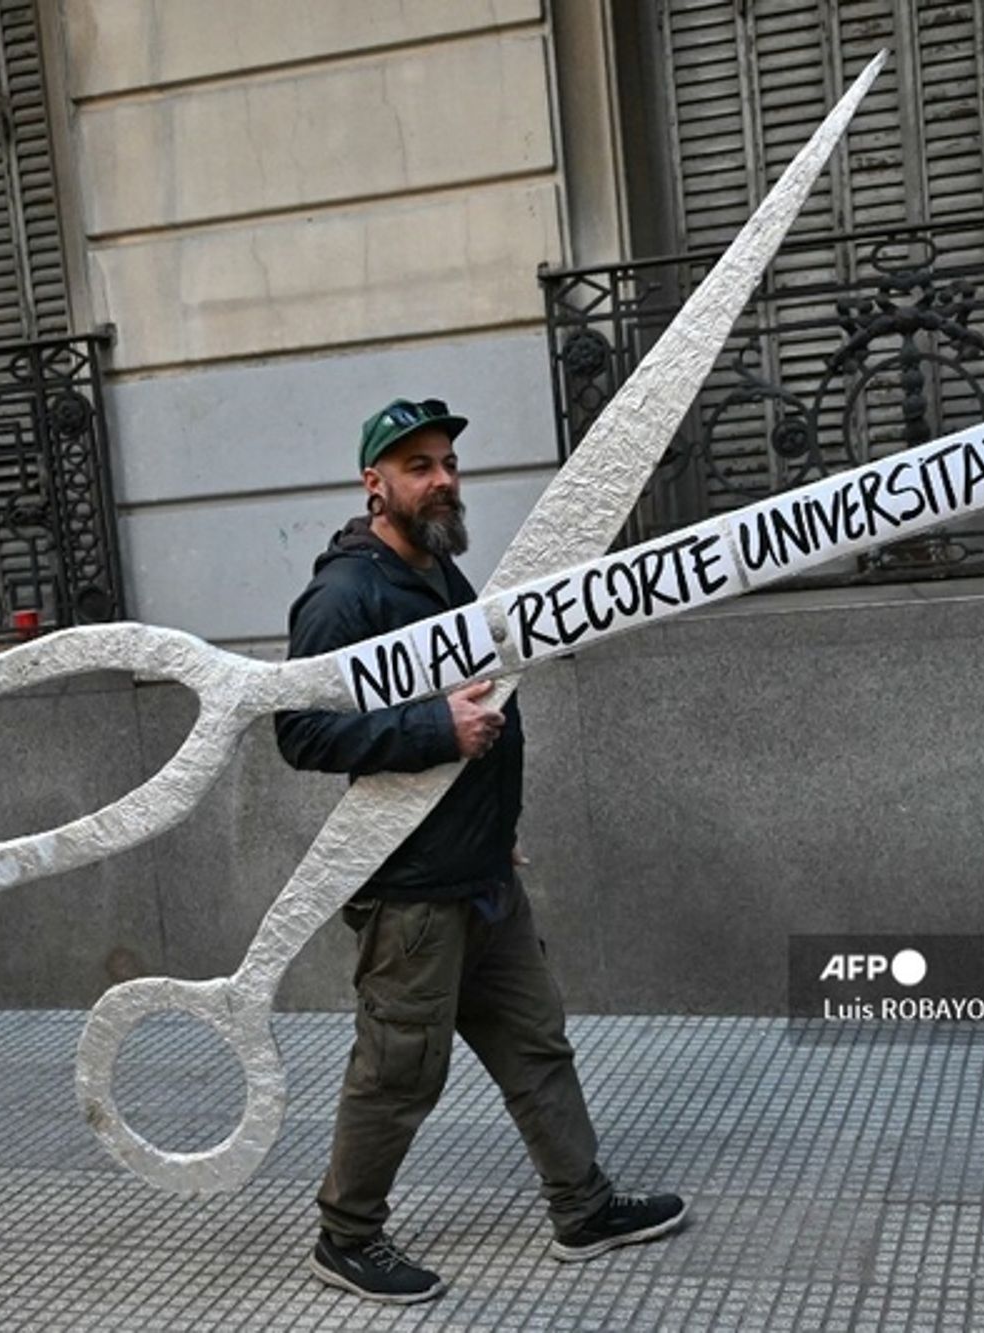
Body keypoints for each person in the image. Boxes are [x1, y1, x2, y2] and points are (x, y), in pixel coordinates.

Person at [275, 397, 687, 1304]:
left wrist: (496, 834)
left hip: (484, 877)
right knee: (398, 1072)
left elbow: (483, 710)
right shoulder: (348, 593)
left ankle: (583, 1207)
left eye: (448, 463)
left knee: (536, 1045)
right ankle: (345, 1237)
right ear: (373, 484)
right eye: (419, 466)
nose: (443, 480)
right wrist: (430, 727)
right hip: (413, 892)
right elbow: (300, 731)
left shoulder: (444, 579)